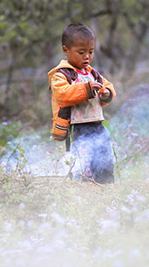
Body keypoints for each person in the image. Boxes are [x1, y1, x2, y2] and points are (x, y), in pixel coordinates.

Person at [48, 23, 116, 183]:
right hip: (76, 127)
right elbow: (62, 94)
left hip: (97, 125)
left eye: (91, 52)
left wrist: (106, 94)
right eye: (81, 52)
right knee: (81, 163)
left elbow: (108, 86)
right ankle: (84, 192)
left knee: (104, 156)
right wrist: (86, 89)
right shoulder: (61, 74)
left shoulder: (92, 73)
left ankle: (107, 188)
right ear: (66, 50)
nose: (87, 57)